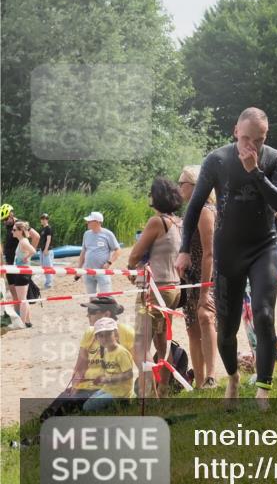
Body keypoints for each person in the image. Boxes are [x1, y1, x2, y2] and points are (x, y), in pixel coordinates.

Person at [177, 107, 277, 405]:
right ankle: (232, 377)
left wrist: (256, 172)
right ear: (234, 131)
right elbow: (194, 207)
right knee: (225, 329)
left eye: (260, 139)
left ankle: (264, 389)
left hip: (264, 245)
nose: (252, 146)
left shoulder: (275, 159)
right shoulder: (217, 160)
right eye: (246, 138)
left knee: (264, 315)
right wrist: (184, 250)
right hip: (228, 250)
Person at [129, 177, 184, 397]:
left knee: (140, 345)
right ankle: (164, 389)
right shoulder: (177, 222)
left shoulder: (156, 222)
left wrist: (132, 268)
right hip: (173, 287)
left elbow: (134, 253)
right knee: (163, 343)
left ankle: (148, 392)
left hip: (155, 288)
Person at [42, 297, 135, 418]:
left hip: (106, 388)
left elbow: (138, 367)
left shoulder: (126, 332)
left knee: (65, 413)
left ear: (107, 314)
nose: (87, 315)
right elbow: (80, 367)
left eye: (92, 312)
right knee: (49, 413)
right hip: (86, 386)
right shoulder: (90, 332)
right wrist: (75, 387)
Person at [177, 165, 218, 389]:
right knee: (192, 326)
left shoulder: (204, 210)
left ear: (194, 185)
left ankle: (211, 376)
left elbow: (209, 252)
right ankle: (200, 381)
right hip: (191, 277)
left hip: (206, 275)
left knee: (205, 317)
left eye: (182, 182)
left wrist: (204, 290)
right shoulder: (193, 210)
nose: (178, 187)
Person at [77, 212, 121, 297]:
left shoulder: (108, 234)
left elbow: (118, 250)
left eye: (90, 221)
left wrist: (109, 263)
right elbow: (83, 252)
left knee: (106, 297)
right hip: (88, 271)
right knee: (91, 298)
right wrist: (79, 269)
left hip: (102, 271)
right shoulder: (86, 234)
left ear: (97, 222)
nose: (87, 223)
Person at [6, 221, 36, 328]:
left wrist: (25, 258)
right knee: (24, 299)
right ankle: (27, 321)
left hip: (23, 272)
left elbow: (33, 251)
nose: (12, 231)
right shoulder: (22, 241)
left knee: (22, 299)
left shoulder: (23, 241)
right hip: (22, 272)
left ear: (20, 231)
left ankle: (22, 323)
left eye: (14, 230)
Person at [38, 213, 54, 289]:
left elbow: (48, 239)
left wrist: (46, 249)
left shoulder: (48, 228)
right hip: (42, 250)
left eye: (44, 219)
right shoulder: (42, 229)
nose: (42, 220)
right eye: (42, 219)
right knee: (43, 267)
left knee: (48, 267)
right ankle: (47, 282)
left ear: (47, 220)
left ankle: (49, 283)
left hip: (47, 250)